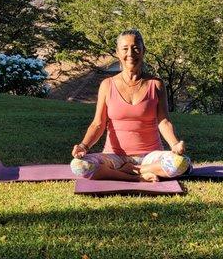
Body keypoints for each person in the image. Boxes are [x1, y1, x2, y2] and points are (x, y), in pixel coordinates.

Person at [70, 29, 192, 182]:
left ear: (143, 50)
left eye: (135, 48)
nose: (130, 53)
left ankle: (134, 171)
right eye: (125, 48)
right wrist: (83, 146)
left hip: (150, 158)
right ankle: (136, 178)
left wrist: (174, 144)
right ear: (117, 52)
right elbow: (98, 124)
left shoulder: (156, 84)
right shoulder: (107, 85)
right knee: (78, 165)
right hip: (114, 158)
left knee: (181, 162)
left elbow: (164, 121)